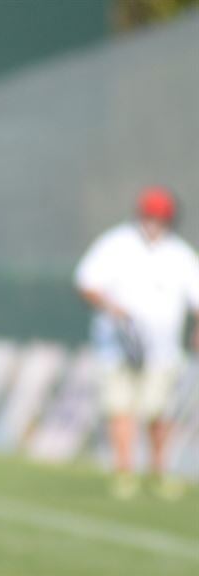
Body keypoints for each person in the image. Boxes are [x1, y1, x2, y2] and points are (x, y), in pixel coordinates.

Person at [74, 185, 199, 500]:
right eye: (150, 215)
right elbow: (86, 282)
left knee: (159, 411)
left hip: (161, 349)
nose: (154, 222)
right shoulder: (116, 244)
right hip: (117, 346)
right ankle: (125, 471)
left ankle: (159, 471)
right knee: (120, 409)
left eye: (160, 217)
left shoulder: (180, 255)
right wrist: (115, 310)